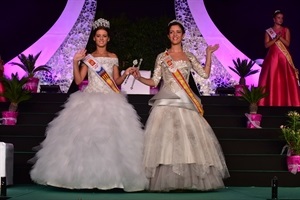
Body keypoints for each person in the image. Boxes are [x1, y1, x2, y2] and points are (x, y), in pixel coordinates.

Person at [29, 18, 148, 191]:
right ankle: (82, 178)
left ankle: (113, 179)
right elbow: (78, 80)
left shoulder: (113, 57)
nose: (101, 38)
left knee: (113, 141)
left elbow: (116, 82)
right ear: (94, 38)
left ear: (108, 38)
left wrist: (127, 72)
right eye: (98, 36)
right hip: (90, 99)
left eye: (104, 36)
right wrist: (75, 62)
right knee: (85, 140)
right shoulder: (89, 58)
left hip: (112, 99)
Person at [132, 20, 230, 191]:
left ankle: (187, 180)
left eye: (178, 32)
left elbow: (205, 75)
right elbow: (155, 81)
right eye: (172, 32)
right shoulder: (162, 57)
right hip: (165, 103)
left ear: (183, 35)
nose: (175, 35)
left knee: (187, 141)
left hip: (185, 103)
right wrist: (138, 77)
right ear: (168, 35)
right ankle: (165, 179)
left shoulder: (189, 56)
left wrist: (208, 54)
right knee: (166, 140)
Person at [258, 10, 300, 106]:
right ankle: (270, 101)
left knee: (285, 78)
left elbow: (287, 44)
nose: (280, 19)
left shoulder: (286, 30)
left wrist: (280, 38)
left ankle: (288, 101)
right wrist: (275, 39)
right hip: (272, 57)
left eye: (282, 18)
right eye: (278, 17)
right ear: (274, 19)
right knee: (272, 77)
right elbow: (266, 45)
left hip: (283, 57)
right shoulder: (269, 31)